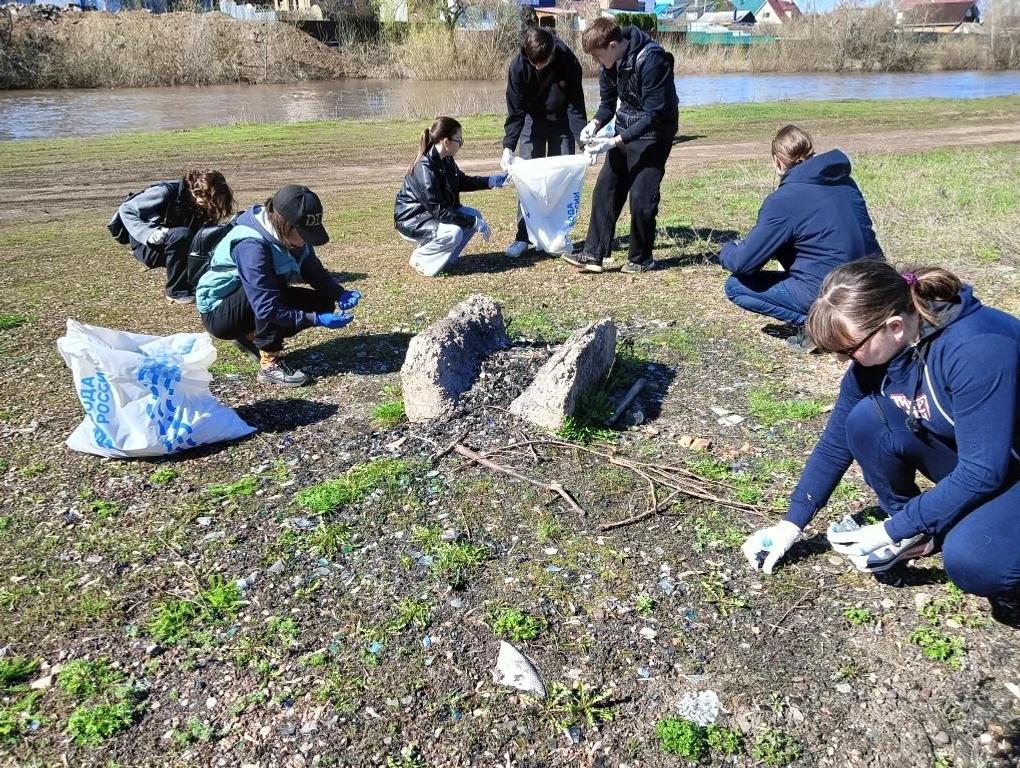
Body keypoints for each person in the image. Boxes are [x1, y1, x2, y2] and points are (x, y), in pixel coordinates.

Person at [742, 261, 1020, 606]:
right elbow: (836, 440)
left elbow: (982, 471)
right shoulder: (884, 351)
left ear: (894, 326)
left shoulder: (977, 349)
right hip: (983, 457)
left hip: (1000, 463)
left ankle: (947, 534)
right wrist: (790, 524)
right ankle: (921, 529)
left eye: (849, 350)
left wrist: (889, 529)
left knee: (977, 562)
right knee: (865, 420)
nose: (845, 360)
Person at [720, 125, 883, 352]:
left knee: (736, 287)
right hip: (875, 280)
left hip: (835, 290)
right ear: (812, 153)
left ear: (778, 162)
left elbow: (743, 263)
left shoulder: (784, 200)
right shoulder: (846, 182)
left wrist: (727, 248)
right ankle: (847, 318)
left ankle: (821, 327)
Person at [195, 185, 361, 387]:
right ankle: (269, 365)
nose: (307, 240)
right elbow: (267, 307)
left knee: (323, 303)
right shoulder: (252, 247)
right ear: (284, 224)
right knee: (275, 286)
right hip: (221, 314)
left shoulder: (290, 238)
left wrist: (339, 293)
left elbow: (313, 270)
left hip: (254, 300)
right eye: (304, 233)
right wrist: (315, 319)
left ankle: (252, 336)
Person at [563, 16, 678, 275]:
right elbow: (608, 104)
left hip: (654, 136)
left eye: (597, 55)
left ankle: (641, 258)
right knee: (605, 189)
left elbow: (653, 115)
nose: (595, 61)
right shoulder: (609, 64)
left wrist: (612, 142)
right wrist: (593, 124)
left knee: (641, 196)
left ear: (613, 45)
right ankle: (593, 254)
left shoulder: (653, 60)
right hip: (624, 129)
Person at [500, 26, 587, 258]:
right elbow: (515, 111)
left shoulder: (568, 60)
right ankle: (523, 237)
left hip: (562, 123)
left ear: (551, 52)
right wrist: (508, 145)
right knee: (528, 182)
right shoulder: (518, 68)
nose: (539, 67)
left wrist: (583, 141)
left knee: (562, 180)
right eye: (535, 63)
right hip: (532, 122)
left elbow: (575, 104)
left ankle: (559, 235)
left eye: (544, 62)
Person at [395, 116, 508, 277]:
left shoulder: (446, 160)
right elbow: (439, 211)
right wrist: (473, 223)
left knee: (473, 215)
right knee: (454, 232)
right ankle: (419, 259)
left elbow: (461, 181)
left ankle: (446, 262)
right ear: (446, 142)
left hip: (430, 214)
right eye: (459, 140)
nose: (460, 144)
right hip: (413, 220)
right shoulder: (424, 168)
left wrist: (491, 181)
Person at [117, 170, 234, 304]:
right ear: (198, 192)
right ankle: (176, 292)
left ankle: (195, 283)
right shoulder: (163, 192)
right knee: (182, 235)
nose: (210, 206)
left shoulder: (194, 202)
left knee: (207, 235)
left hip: (169, 241)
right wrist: (148, 233)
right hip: (147, 245)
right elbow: (126, 209)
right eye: (209, 201)